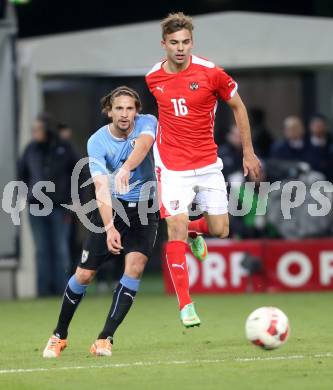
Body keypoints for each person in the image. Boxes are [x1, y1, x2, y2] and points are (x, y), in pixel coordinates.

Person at [145, 12, 261, 327]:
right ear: (164, 44)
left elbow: (238, 106)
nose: (180, 48)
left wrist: (248, 152)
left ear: (192, 42)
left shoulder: (212, 74)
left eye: (185, 42)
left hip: (208, 163)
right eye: (173, 43)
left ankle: (197, 230)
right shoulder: (153, 78)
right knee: (176, 228)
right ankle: (186, 305)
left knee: (221, 229)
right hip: (171, 166)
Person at [43, 86, 159, 358]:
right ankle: (59, 334)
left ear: (137, 111)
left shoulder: (147, 123)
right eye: (119, 108)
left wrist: (127, 168)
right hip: (113, 208)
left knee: (135, 267)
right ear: (109, 111)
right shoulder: (97, 142)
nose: (125, 114)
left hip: (145, 207)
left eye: (130, 108)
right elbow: (101, 187)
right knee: (84, 274)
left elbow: (143, 146)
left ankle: (105, 338)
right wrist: (109, 228)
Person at [18, 113, 79, 296]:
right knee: (42, 250)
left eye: (38, 129)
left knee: (61, 249)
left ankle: (63, 291)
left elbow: (79, 172)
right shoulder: (30, 149)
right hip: (36, 206)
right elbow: (22, 172)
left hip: (60, 207)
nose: (34, 132)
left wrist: (75, 199)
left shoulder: (65, 148)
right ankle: (43, 291)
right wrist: (25, 193)